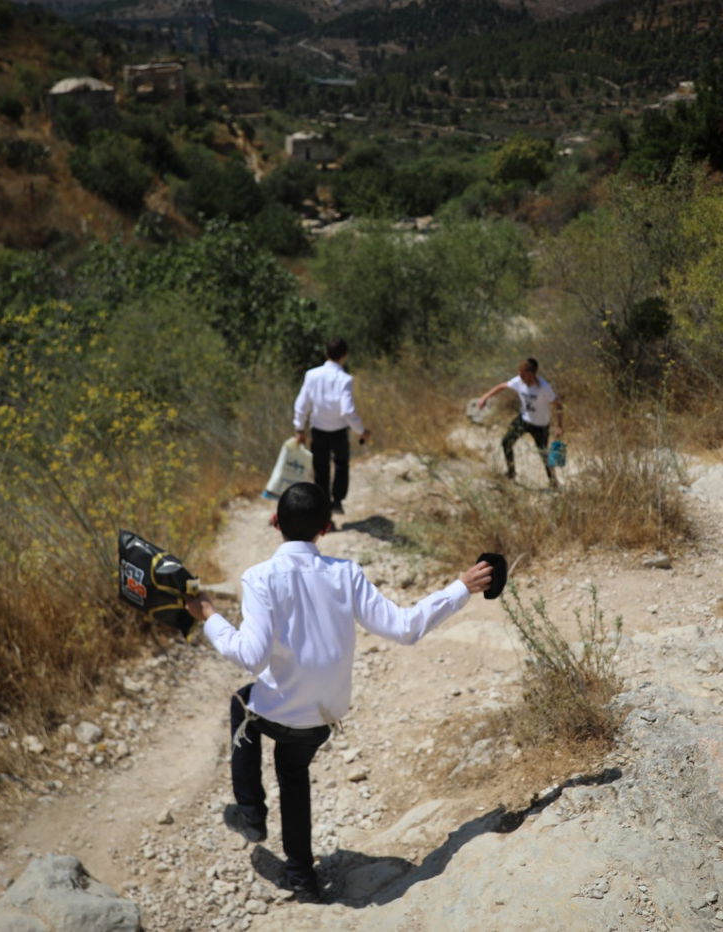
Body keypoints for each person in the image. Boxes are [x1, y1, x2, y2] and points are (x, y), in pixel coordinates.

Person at [185, 482, 493, 903]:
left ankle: (251, 813)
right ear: (326, 529)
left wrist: (209, 616)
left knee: (243, 704)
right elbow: (405, 628)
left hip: (278, 711)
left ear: (275, 523)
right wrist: (460, 586)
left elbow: (251, 656)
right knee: (293, 774)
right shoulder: (347, 575)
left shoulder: (259, 578)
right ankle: (303, 878)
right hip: (323, 716)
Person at [293, 338, 371, 515]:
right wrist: (361, 430)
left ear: (326, 353)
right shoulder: (345, 379)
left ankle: (324, 510)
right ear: (345, 356)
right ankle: (337, 500)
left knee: (321, 470)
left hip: (318, 430)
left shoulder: (311, 375)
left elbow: (302, 403)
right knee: (341, 464)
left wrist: (299, 428)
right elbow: (347, 410)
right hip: (338, 432)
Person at [477, 357, 565, 487]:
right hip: (523, 420)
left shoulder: (544, 388)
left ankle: (553, 482)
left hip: (540, 426)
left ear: (531, 374)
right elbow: (502, 386)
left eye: (523, 374)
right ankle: (511, 473)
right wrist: (485, 397)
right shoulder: (519, 381)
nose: (520, 376)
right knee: (506, 442)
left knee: (544, 454)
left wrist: (559, 426)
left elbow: (559, 405)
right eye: (519, 373)